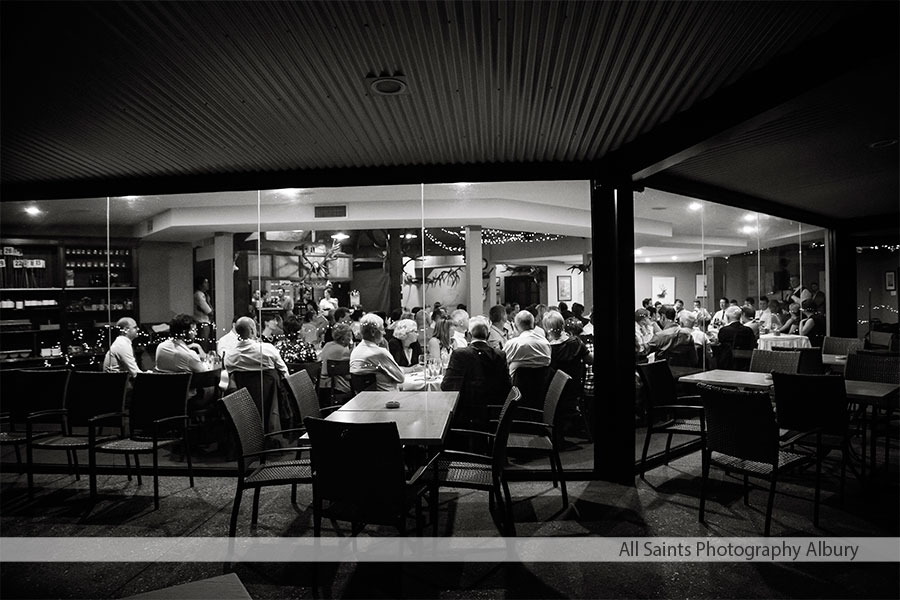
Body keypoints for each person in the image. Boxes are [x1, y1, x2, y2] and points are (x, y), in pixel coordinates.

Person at [441, 315, 511, 431]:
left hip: (465, 414)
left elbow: (447, 385)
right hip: (494, 413)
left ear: (468, 335)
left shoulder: (460, 354)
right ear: (488, 336)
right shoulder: (500, 355)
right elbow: (507, 386)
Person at [349, 313, 405, 391]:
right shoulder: (379, 353)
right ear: (373, 332)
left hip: (363, 399)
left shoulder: (355, 351)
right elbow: (401, 378)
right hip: (387, 398)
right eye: (382, 329)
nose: (384, 333)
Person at [224, 317, 289, 379]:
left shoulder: (229, 356)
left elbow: (228, 376)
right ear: (252, 331)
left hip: (244, 389)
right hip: (271, 389)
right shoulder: (268, 349)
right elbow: (284, 372)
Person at [502, 310, 552, 376]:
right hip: (542, 385)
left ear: (516, 327)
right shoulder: (546, 344)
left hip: (515, 384)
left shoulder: (512, 344)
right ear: (533, 324)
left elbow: (500, 364)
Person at [319, 322, 353, 396]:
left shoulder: (327, 345)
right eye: (349, 336)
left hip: (321, 385)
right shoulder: (343, 350)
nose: (351, 339)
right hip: (335, 387)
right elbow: (347, 375)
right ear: (343, 339)